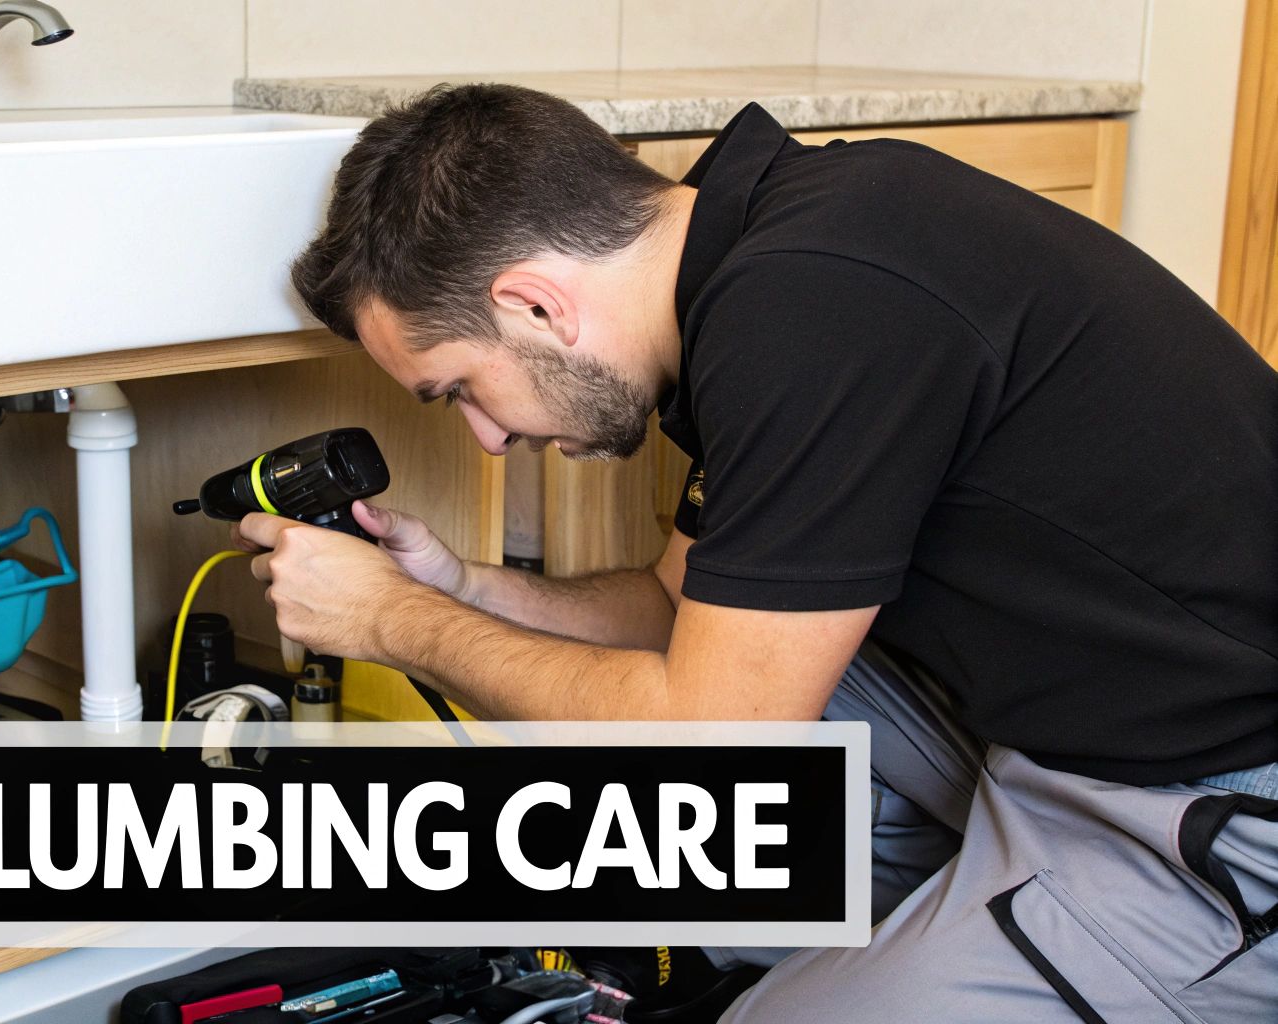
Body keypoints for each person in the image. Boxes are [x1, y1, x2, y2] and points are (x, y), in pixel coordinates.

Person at [234, 84, 1278, 1021]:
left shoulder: (812, 313)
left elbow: (712, 735)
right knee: (707, 850)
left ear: (534, 304)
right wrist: (457, 586)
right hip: (1053, 734)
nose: (486, 437)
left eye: (457, 387)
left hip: (1210, 818)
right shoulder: (772, 251)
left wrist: (391, 623)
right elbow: (670, 609)